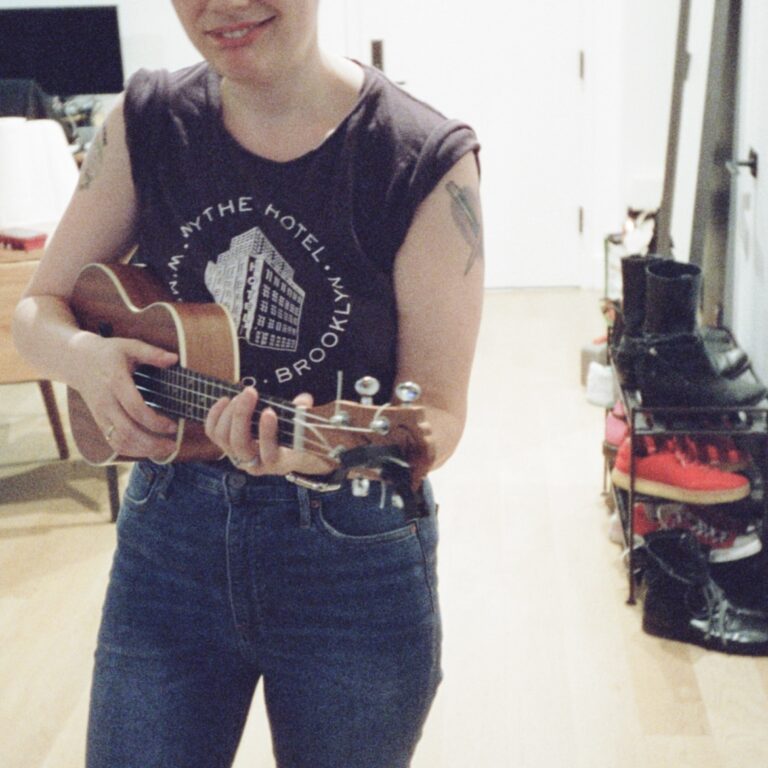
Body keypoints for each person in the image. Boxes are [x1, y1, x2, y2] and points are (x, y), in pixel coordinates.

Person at [12, 1, 483, 766]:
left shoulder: (420, 156)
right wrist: (84, 359)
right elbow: (37, 309)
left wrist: (320, 449)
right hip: (168, 537)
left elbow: (436, 413)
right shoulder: (146, 124)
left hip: (351, 560)